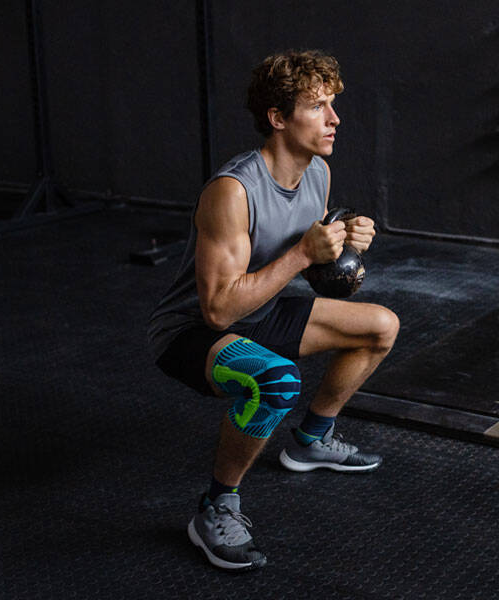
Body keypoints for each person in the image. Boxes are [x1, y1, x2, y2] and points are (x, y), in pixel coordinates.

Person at [147, 50, 399, 571]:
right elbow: (218, 311)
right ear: (278, 118)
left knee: (380, 326)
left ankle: (310, 441)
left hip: (260, 310)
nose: (335, 119)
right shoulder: (232, 191)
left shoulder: (318, 176)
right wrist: (307, 252)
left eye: (333, 105)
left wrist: (344, 248)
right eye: (317, 107)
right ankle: (217, 505)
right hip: (192, 331)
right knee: (276, 381)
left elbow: (314, 277)